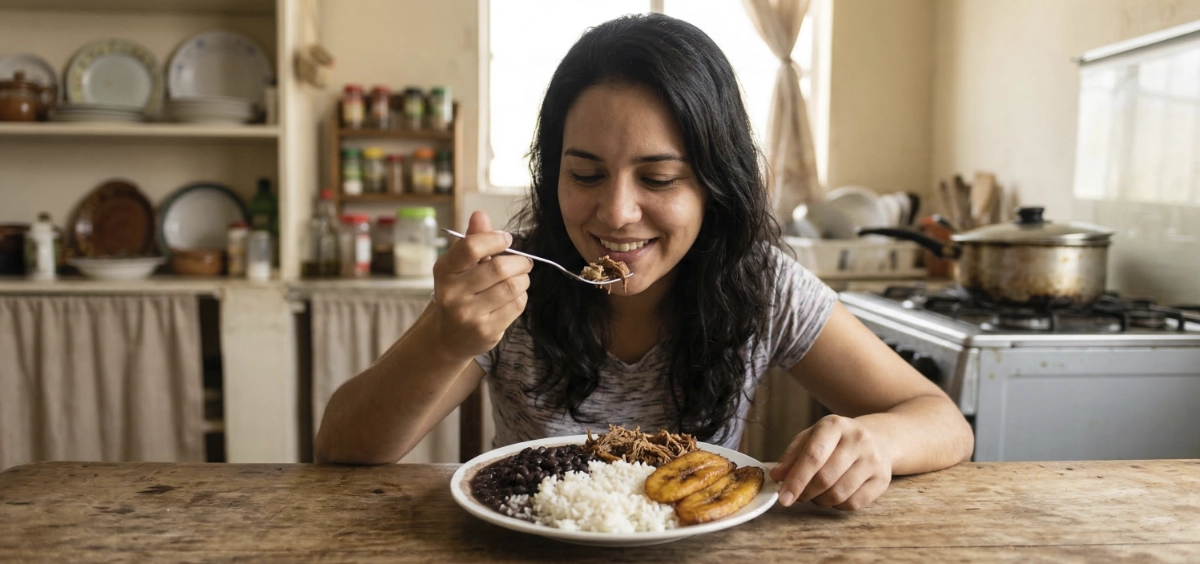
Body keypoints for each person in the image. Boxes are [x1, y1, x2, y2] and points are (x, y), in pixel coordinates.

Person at [316, 13, 973, 511]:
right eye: (585, 173)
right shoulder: (517, 281)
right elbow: (343, 448)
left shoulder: (762, 284)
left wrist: (877, 443)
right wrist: (443, 337)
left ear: (715, 185)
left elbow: (942, 421)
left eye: (657, 179)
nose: (616, 214)